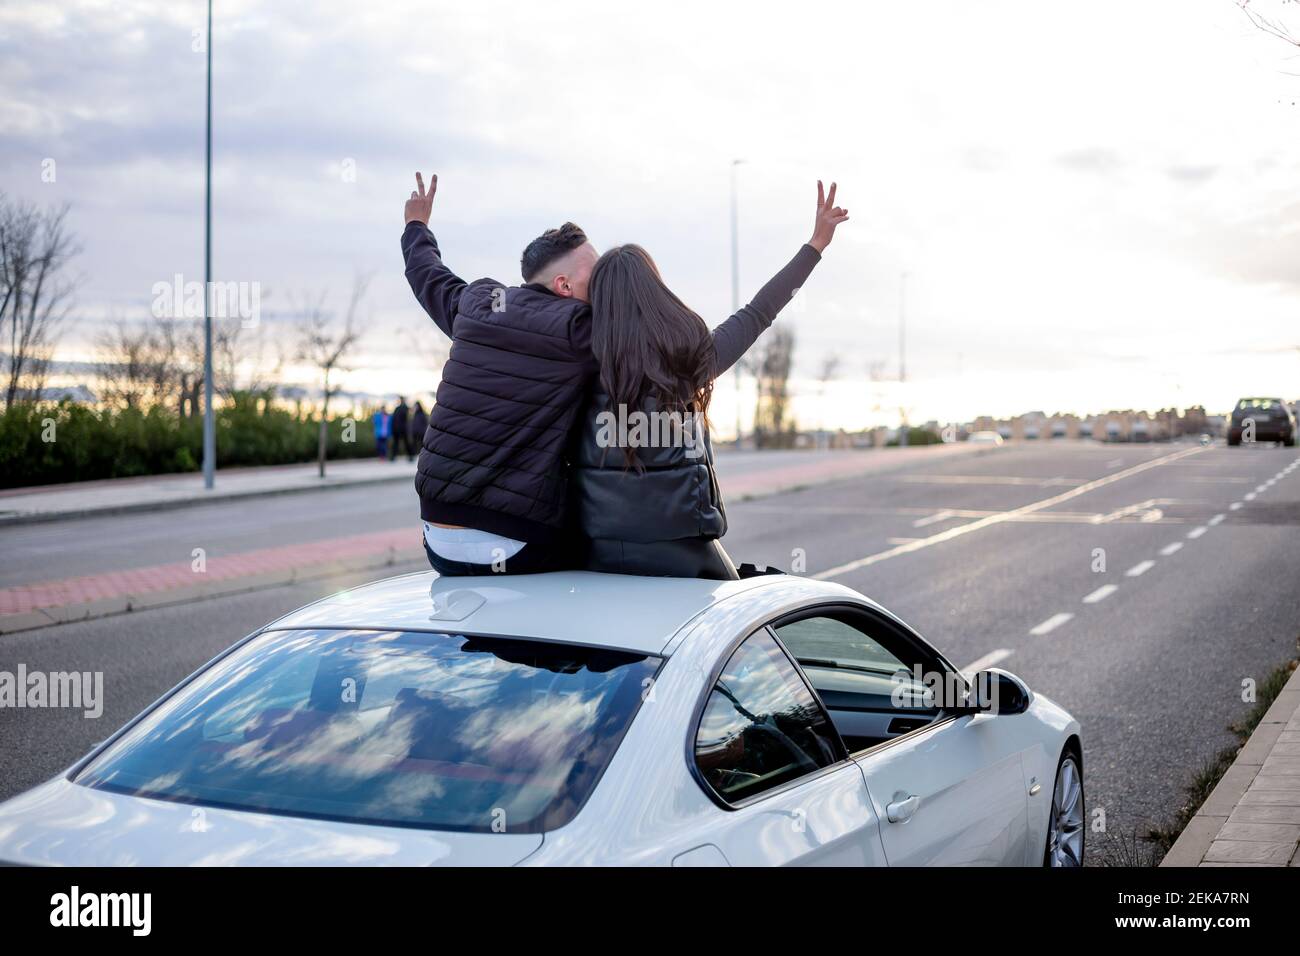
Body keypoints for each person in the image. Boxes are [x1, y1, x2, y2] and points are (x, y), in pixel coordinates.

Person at [573, 180, 849, 579]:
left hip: (598, 557)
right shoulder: (686, 365)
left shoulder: (570, 371)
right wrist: (815, 246)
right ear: (655, 293)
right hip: (686, 554)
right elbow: (759, 312)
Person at [401, 171, 598, 576]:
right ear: (564, 285)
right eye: (595, 276)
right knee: (613, 547)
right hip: (516, 545)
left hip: (437, 539)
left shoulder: (480, 305)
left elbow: (427, 274)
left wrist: (416, 226)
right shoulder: (580, 330)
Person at [389, 396, 410, 461]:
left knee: (406, 442)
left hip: (403, 428)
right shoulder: (397, 408)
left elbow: (406, 417)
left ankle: (410, 456)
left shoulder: (405, 408)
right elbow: (394, 419)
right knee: (396, 443)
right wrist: (393, 428)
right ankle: (393, 457)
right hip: (396, 429)